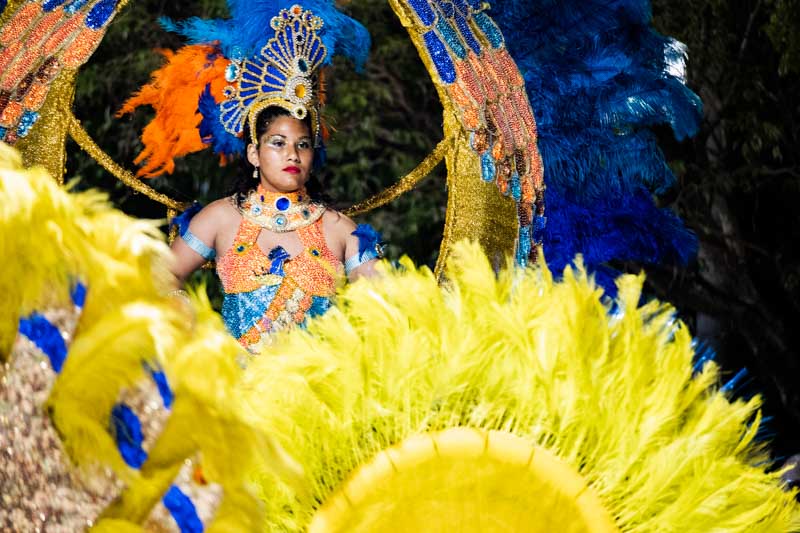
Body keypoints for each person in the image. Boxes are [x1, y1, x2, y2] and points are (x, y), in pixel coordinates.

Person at [171, 105, 380, 352]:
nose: (292, 155)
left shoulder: (340, 229)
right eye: (278, 143)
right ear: (253, 154)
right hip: (235, 384)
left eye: (302, 145)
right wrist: (194, 329)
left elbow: (383, 307)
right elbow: (161, 275)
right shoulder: (220, 217)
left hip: (315, 383)